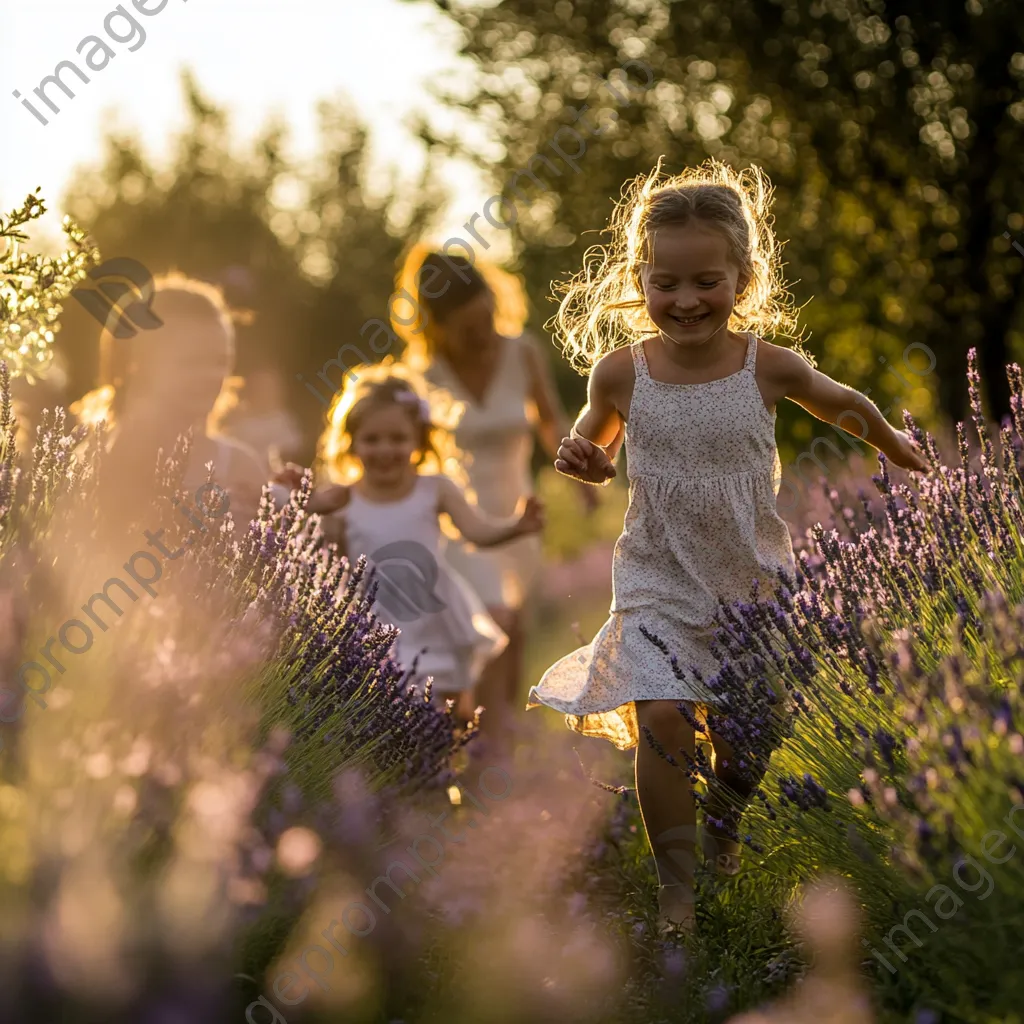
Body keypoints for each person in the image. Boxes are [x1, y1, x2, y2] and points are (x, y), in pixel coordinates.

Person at [528, 159, 929, 932]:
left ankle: (727, 819)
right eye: (665, 283)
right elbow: (591, 443)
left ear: (743, 278)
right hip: (657, 579)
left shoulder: (765, 366)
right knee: (665, 719)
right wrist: (582, 458)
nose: (684, 301)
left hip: (750, 583)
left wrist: (892, 444)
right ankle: (677, 892)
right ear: (640, 279)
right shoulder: (621, 373)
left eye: (706, 281)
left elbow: (845, 402)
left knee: (753, 737)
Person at [395, 245, 595, 745]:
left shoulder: (521, 351)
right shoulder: (422, 376)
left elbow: (550, 421)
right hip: (459, 521)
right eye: (467, 328)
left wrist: (579, 478)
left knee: (515, 637)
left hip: (520, 513)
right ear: (437, 326)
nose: (482, 335)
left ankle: (491, 742)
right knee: (495, 625)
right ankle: (479, 744)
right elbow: (408, 454)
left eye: (486, 319)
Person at [275, 361, 545, 722]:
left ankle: (451, 768)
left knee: (450, 712)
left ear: (419, 440)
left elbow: (477, 531)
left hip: (434, 615)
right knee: (387, 713)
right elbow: (308, 524)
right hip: (376, 622)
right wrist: (293, 492)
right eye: (372, 439)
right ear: (351, 443)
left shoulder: (435, 487)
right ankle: (406, 775)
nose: (385, 450)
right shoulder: (343, 497)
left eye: (398, 438)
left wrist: (516, 525)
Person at [72, 272, 270, 532]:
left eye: (221, 362)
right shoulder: (89, 463)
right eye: (193, 361)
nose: (212, 376)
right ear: (138, 363)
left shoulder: (241, 468)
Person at [215, 364, 305, 475]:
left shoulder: (284, 420)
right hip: (245, 475)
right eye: (260, 388)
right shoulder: (237, 421)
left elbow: (293, 450)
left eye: (269, 388)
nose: (265, 393)